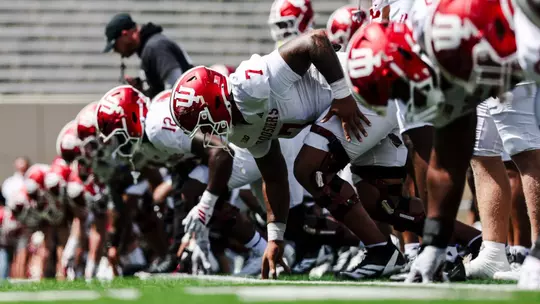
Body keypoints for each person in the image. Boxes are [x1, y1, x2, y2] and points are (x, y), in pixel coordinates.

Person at [102, 13, 193, 98]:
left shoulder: (155, 46)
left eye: (115, 46)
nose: (116, 51)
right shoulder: (149, 48)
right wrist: (141, 89)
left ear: (125, 34)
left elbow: (175, 87)